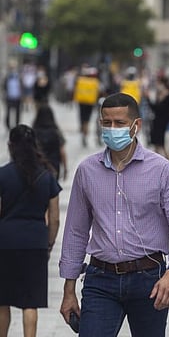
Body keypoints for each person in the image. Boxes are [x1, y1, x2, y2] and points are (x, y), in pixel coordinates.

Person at [59, 93, 169, 337]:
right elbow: (76, 231)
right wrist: (69, 289)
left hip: (149, 279)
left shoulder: (161, 170)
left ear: (136, 125)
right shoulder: (87, 171)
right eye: (107, 123)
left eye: (120, 123)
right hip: (100, 279)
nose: (113, 129)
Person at [0, 125, 61, 337]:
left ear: (10, 146)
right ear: (35, 145)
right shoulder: (47, 176)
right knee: (30, 302)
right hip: (35, 242)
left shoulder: (3, 175)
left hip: (5, 241)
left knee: (2, 301)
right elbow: (54, 217)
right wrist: (49, 243)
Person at [32, 104, 68, 180]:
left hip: (37, 169)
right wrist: (65, 168)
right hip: (54, 167)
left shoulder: (34, 132)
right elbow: (62, 152)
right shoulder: (56, 132)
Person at [72, 66, 101, 147]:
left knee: (81, 117)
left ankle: (82, 130)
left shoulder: (80, 80)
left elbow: (74, 89)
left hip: (81, 102)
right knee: (87, 119)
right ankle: (85, 133)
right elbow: (99, 92)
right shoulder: (95, 82)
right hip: (90, 103)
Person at [148, 75, 169, 158]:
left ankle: (167, 161)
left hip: (162, 122)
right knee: (157, 145)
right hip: (158, 122)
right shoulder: (160, 94)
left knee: (161, 144)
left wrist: (148, 99)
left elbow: (158, 108)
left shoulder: (166, 95)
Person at [3, 65, 23, 130]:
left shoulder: (19, 77)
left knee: (17, 112)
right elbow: (4, 87)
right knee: (8, 112)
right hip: (9, 97)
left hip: (17, 97)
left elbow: (22, 86)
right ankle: (8, 125)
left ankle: (17, 125)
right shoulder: (7, 77)